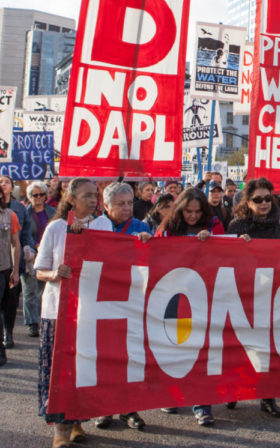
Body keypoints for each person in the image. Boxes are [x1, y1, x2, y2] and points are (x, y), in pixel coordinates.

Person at [34, 178, 113, 447]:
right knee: (60, 372)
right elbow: (39, 269)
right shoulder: (56, 228)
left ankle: (78, 421)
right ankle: (60, 430)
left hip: (90, 310)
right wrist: (55, 274)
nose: (93, 200)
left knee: (83, 369)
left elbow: (114, 262)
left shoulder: (103, 225)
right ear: (71, 198)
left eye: (96, 195)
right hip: (57, 311)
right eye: (87, 195)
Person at [156, 188, 224, 426]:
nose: (193, 216)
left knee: (201, 352)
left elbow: (228, 254)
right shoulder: (168, 227)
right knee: (174, 349)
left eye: (197, 212)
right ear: (180, 209)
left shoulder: (214, 224)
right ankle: (173, 394)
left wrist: (212, 242)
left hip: (204, 297)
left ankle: (202, 405)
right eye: (188, 211)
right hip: (174, 297)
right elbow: (155, 253)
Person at [92, 182, 152, 430]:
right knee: (104, 356)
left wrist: (149, 244)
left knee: (132, 356)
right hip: (102, 298)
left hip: (132, 298)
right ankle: (104, 408)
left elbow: (152, 261)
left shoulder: (141, 227)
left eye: (129, 203)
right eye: (120, 204)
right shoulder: (96, 227)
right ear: (106, 205)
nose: (127, 208)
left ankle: (129, 408)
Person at [225, 178, 280, 417]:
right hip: (243, 293)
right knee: (238, 345)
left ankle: (267, 396)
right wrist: (237, 246)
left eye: (267, 198)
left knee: (267, 347)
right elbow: (226, 259)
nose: (263, 203)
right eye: (258, 199)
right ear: (247, 202)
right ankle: (233, 390)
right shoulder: (237, 225)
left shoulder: (279, 221)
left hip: (271, 292)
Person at [0, 175, 34, 349]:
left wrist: (28, 252)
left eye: (6, 181)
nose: (3, 185)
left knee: (11, 301)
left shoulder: (15, 211)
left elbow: (21, 238)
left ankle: (8, 332)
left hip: (11, 265)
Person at [24, 181, 56, 338]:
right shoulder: (26, 213)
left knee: (45, 290)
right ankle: (32, 323)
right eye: (34, 195)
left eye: (41, 194)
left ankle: (45, 319)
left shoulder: (52, 211)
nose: (38, 198)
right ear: (29, 197)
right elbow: (24, 234)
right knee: (30, 291)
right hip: (32, 254)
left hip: (49, 254)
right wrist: (35, 244)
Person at [0, 183, 21, 367]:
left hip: (3, 269)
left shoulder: (10, 215)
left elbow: (15, 243)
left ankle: (1, 348)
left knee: (3, 309)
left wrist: (15, 270)